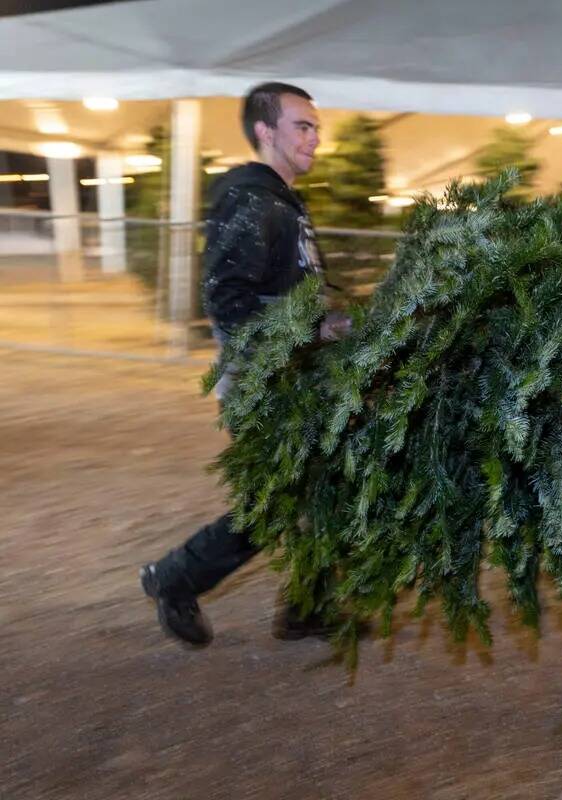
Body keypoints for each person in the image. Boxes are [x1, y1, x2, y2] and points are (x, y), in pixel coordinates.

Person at [139, 82, 350, 648]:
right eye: (302, 126)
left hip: (295, 374)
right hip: (265, 382)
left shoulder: (282, 201)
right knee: (275, 503)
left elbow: (284, 291)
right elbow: (227, 297)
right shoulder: (253, 199)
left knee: (320, 488)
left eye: (315, 126)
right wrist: (277, 359)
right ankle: (172, 578)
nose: (315, 136)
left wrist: (328, 323)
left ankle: (308, 607)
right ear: (265, 131)